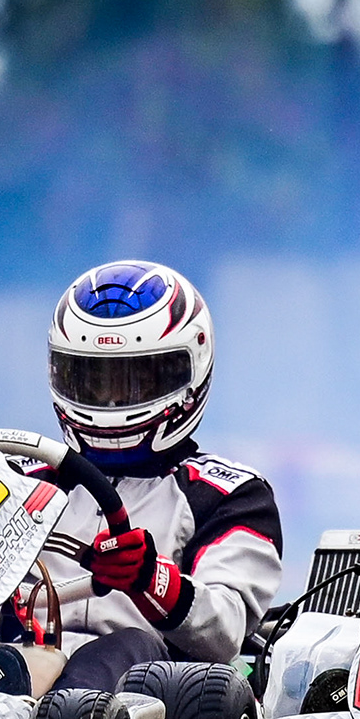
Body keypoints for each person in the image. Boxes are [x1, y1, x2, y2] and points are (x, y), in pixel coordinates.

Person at [31, 260, 286, 693]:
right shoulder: (20, 483)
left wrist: (151, 579)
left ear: (189, 373)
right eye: (94, 381)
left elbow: (226, 630)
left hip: (157, 703)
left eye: (134, 380)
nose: (110, 401)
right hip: (19, 670)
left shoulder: (230, 495)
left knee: (124, 647)